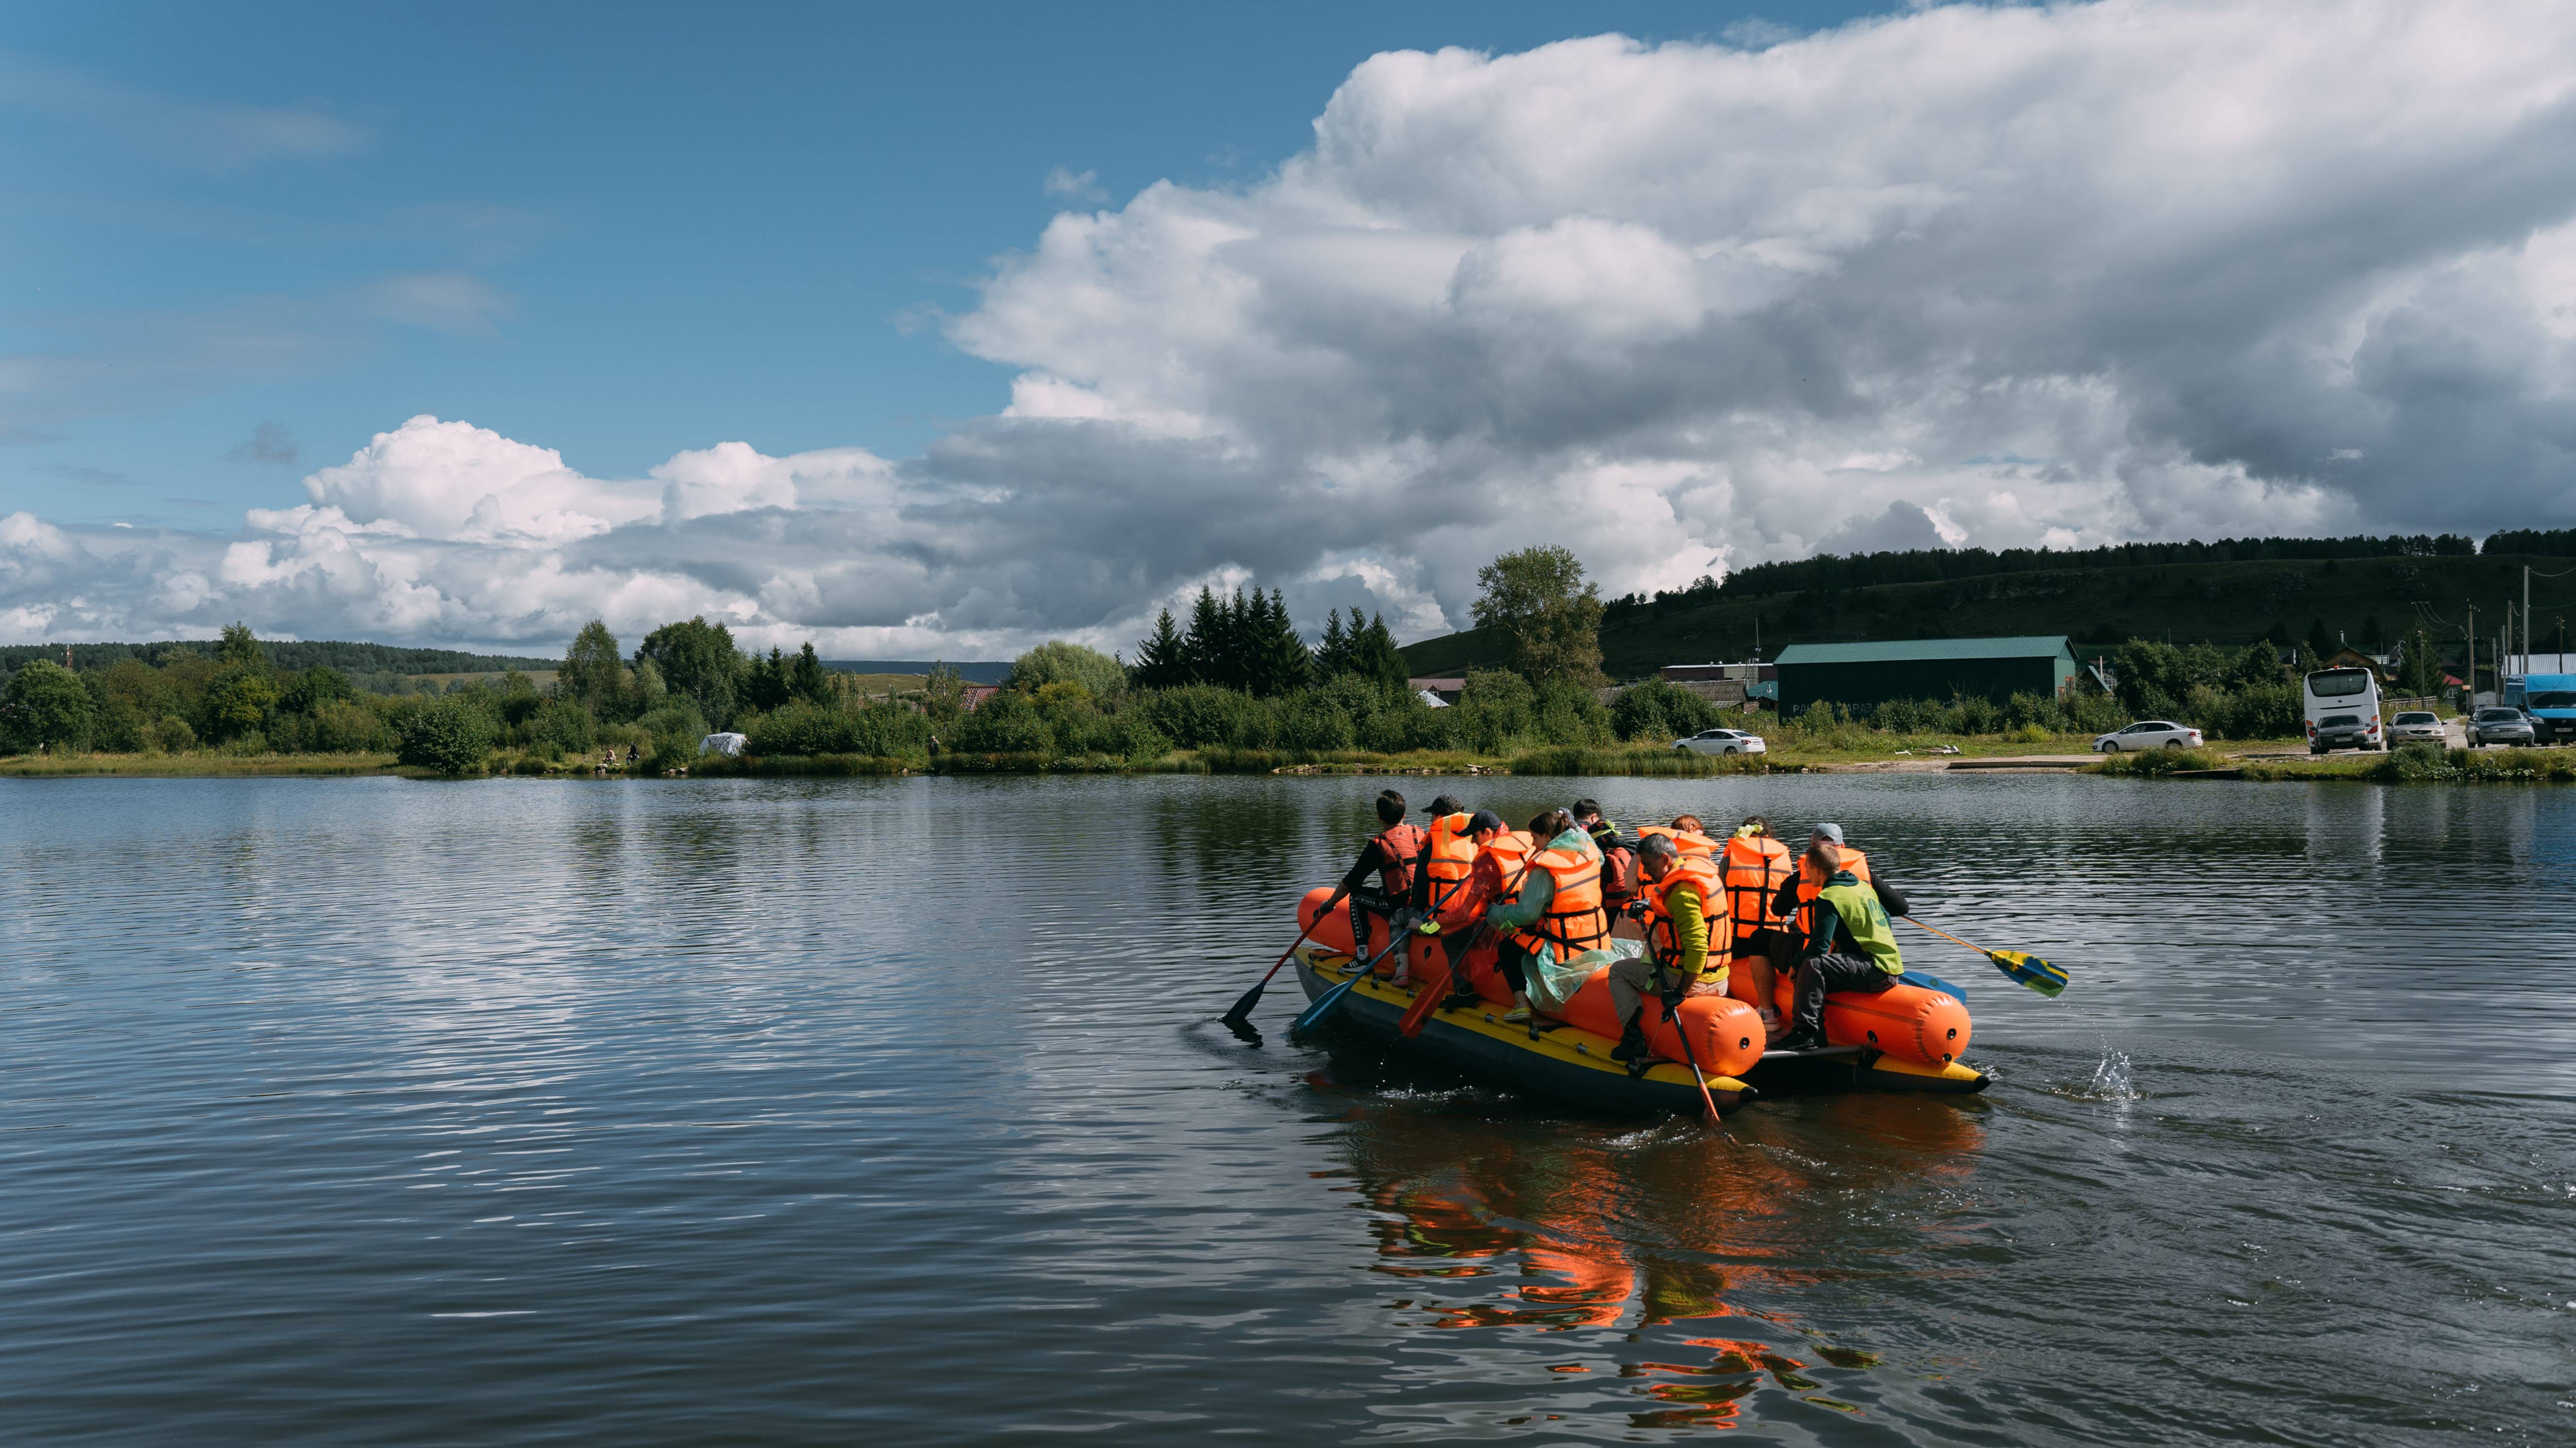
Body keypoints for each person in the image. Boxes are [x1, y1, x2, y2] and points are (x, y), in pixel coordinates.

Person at [1775, 830, 1910, 1051]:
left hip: (1875, 970)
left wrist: (1795, 965)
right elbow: (1886, 920)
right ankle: (1822, 1030)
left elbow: (1819, 946)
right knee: (1821, 964)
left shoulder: (1829, 897)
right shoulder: (1862, 887)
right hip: (1891, 965)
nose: (1806, 873)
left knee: (1812, 964)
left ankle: (1806, 1032)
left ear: (1817, 870)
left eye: (1807, 869)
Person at [1606, 833, 1730, 1068]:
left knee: (1618, 971)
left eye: (1648, 865)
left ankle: (1633, 1038)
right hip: (1720, 977)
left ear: (1664, 859)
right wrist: (1647, 904)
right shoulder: (1693, 875)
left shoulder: (1683, 894)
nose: (1646, 871)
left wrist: (1681, 992)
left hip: (1690, 980)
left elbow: (1697, 947)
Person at [1482, 809, 1609, 1023]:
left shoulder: (1546, 868)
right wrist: (1577, 828)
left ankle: (1522, 1005)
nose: (1533, 843)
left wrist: (1495, 913)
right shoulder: (1588, 853)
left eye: (1535, 837)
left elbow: (1527, 914)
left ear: (1548, 838)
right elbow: (1600, 853)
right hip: (1595, 941)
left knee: (1508, 948)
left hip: (1563, 947)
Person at [1330, 790, 1428, 979]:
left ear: (1379, 817)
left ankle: (1362, 958)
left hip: (1400, 906)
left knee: (1357, 897)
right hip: (1425, 903)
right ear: (1405, 815)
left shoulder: (1379, 845)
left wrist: (1330, 903)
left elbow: (1351, 882)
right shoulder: (1420, 833)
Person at [1720, 815, 1796, 1033]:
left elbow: (1716, 898)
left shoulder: (1731, 857)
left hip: (1737, 942)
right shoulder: (1784, 857)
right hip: (1775, 941)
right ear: (1769, 836)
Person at [1569, 798, 1638, 917]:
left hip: (1585, 904)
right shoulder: (1617, 846)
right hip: (1621, 906)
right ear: (1594, 817)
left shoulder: (1566, 836)